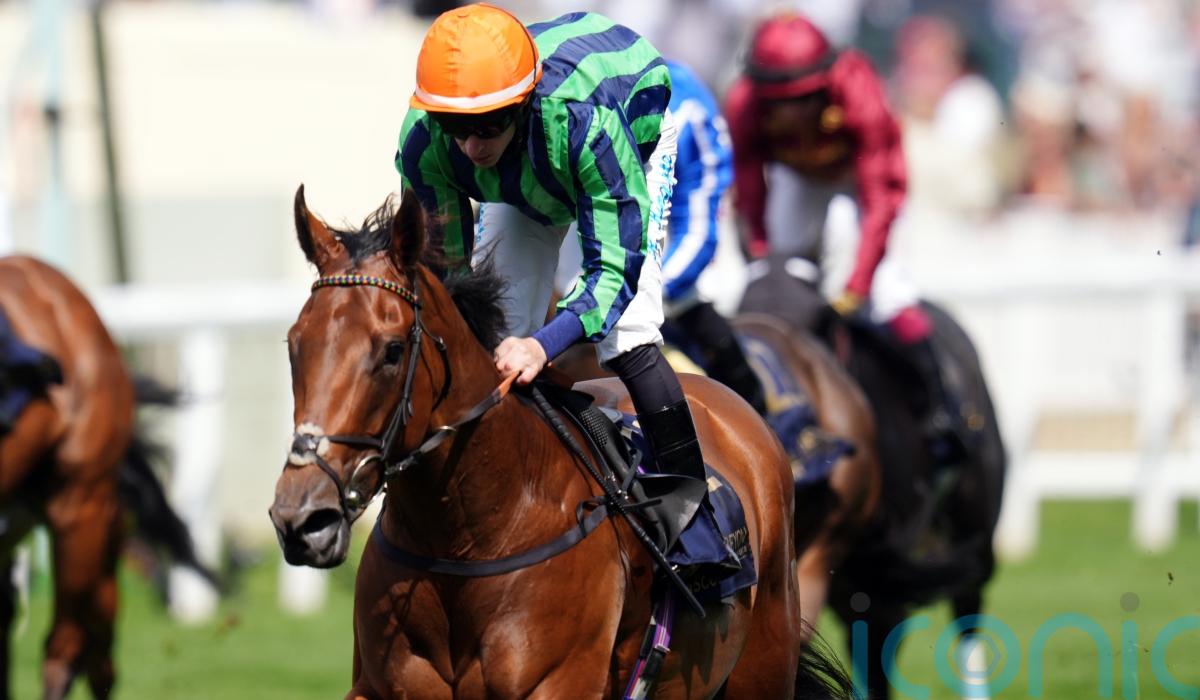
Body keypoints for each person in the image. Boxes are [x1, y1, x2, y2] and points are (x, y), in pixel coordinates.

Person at [395, 4, 735, 567]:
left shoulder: (584, 124)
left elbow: (612, 272)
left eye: (488, 124)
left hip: (629, 141)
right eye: (457, 129)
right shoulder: (423, 143)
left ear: (523, 103)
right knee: (489, 338)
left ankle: (697, 527)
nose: (473, 147)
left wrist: (543, 344)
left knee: (627, 335)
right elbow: (447, 277)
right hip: (530, 169)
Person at [724, 11, 968, 464]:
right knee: (776, 275)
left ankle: (942, 413)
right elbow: (750, 188)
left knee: (887, 296)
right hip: (797, 181)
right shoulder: (744, 105)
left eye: (802, 100)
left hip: (861, 186)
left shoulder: (859, 92)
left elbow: (882, 195)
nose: (788, 115)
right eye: (776, 102)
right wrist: (762, 256)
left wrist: (858, 284)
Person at [658, 60, 766, 415]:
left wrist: (644, 294)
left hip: (681, 275)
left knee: (692, 304)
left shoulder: (688, 116)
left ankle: (761, 415)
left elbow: (697, 233)